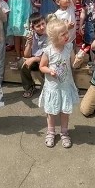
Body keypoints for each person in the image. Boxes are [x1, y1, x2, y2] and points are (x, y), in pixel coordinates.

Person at [38, 18, 80, 148]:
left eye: (66, 33)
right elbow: (41, 66)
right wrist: (49, 71)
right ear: (55, 38)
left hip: (65, 86)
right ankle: (51, 132)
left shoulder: (69, 47)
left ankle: (64, 132)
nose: (67, 36)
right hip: (53, 87)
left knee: (64, 111)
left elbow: (73, 64)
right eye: (63, 35)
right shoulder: (48, 51)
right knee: (51, 112)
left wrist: (78, 60)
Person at [21, 13, 48, 98]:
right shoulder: (32, 35)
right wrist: (29, 43)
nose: (42, 27)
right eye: (38, 26)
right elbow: (26, 55)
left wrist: (33, 59)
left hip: (46, 60)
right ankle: (29, 87)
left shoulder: (49, 35)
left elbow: (46, 56)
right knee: (22, 63)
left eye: (43, 24)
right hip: (35, 60)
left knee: (43, 65)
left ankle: (46, 88)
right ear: (33, 28)